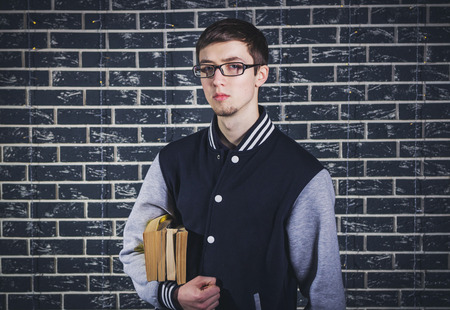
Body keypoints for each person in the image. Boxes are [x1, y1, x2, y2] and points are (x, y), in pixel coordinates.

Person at [120, 18, 346, 310]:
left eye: (234, 66)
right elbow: (136, 247)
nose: (217, 79)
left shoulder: (302, 174)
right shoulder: (173, 160)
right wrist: (171, 295)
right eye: (207, 68)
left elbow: (325, 291)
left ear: (260, 74)